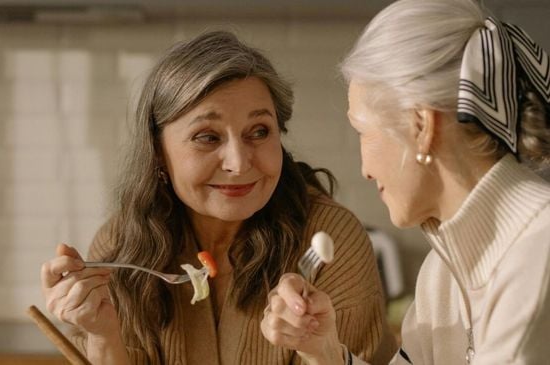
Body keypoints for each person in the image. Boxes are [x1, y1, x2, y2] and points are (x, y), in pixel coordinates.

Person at [40, 31, 396, 365]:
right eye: (207, 137)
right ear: (158, 152)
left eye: (259, 131)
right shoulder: (121, 247)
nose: (239, 163)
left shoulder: (329, 243)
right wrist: (102, 335)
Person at [260, 0, 550, 364]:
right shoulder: (441, 273)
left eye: (363, 132)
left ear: (422, 126)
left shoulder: (538, 258)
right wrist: (326, 350)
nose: (365, 169)